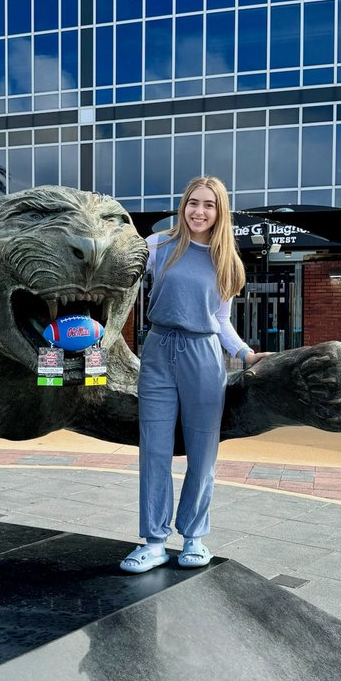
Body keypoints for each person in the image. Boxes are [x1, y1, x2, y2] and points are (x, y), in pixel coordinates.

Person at [120, 176, 268, 573]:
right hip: (157, 351)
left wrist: (245, 354)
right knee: (154, 448)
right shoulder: (155, 247)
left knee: (203, 452)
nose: (199, 211)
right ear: (182, 206)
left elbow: (221, 322)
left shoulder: (227, 263)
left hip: (204, 356)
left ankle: (194, 537)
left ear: (220, 212)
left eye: (209, 205)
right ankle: (153, 542)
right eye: (193, 203)